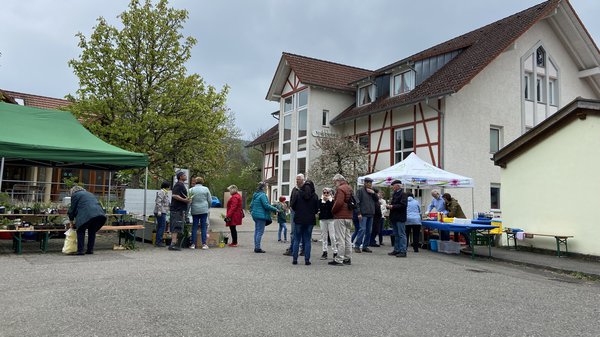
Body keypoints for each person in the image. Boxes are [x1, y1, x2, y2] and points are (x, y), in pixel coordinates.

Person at [67, 185, 107, 255]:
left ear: (72, 192)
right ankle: (90, 250)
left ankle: (80, 251)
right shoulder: (90, 194)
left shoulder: (75, 195)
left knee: (80, 230)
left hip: (87, 215)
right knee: (92, 231)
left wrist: (71, 221)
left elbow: (72, 209)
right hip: (99, 214)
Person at [290, 180, 319, 265]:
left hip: (299, 219)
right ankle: (307, 260)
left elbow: (293, 205)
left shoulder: (298, 194)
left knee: (297, 239)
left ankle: (295, 259)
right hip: (310, 220)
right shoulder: (315, 196)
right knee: (307, 240)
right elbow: (316, 209)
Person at [328, 174, 354, 266]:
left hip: (340, 216)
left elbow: (339, 202)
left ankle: (339, 259)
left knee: (340, 238)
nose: (334, 184)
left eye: (334, 182)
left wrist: (333, 210)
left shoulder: (340, 189)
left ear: (338, 180)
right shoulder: (349, 188)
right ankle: (347, 258)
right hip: (349, 215)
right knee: (347, 237)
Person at [250, 181, 278, 253]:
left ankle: (256, 247)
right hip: (261, 216)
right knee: (260, 232)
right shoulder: (263, 195)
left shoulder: (255, 194)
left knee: (256, 231)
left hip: (255, 215)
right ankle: (257, 248)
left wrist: (252, 212)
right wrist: (275, 209)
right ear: (263, 187)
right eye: (265, 187)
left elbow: (251, 205)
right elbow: (266, 205)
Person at [284, 174, 305, 256]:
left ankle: (302, 249)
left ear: (303, 180)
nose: (297, 181)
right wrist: (290, 206)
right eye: (296, 179)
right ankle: (292, 248)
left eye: (299, 179)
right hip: (294, 211)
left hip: (302, 213)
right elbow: (292, 198)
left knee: (302, 231)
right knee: (293, 231)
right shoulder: (294, 189)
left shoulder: (305, 189)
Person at [354, 177, 377, 253]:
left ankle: (365, 246)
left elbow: (377, 200)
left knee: (369, 231)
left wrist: (373, 193)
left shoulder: (372, 191)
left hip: (371, 213)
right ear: (365, 183)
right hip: (363, 214)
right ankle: (357, 245)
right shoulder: (360, 191)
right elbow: (357, 202)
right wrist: (359, 213)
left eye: (371, 183)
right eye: (368, 183)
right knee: (362, 229)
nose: (370, 184)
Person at [169, 171, 191, 251]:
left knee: (177, 226)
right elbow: (174, 195)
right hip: (177, 210)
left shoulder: (181, 185)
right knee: (176, 226)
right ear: (180, 177)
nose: (186, 176)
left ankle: (174, 244)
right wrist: (185, 200)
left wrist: (187, 200)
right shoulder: (178, 185)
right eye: (184, 175)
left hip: (179, 210)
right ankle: (173, 244)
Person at [189, 176, 212, 250]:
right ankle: (204, 244)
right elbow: (210, 200)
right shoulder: (206, 189)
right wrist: (208, 207)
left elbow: (189, 201)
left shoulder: (191, 190)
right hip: (203, 209)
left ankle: (193, 244)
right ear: (202, 182)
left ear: (195, 182)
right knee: (203, 227)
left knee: (194, 226)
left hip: (195, 209)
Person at [386, 180, 408, 258]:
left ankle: (403, 251)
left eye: (393, 185)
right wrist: (389, 205)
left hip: (400, 217)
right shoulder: (395, 194)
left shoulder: (403, 194)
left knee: (401, 234)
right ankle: (397, 249)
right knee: (396, 234)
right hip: (394, 217)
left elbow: (403, 205)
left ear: (397, 186)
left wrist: (392, 206)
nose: (392, 187)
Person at [318, 187, 336, 260]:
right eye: (324, 192)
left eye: (327, 193)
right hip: (323, 220)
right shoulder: (320, 200)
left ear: (330, 193)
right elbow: (319, 209)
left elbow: (332, 209)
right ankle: (324, 251)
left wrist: (328, 201)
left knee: (332, 236)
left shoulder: (333, 201)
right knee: (324, 237)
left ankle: (335, 251)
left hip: (331, 220)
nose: (325, 194)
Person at [153, 181, 170, 247]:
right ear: (167, 186)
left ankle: (158, 241)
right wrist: (159, 211)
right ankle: (158, 241)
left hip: (162, 211)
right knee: (162, 226)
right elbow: (158, 202)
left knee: (160, 226)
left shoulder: (164, 192)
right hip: (160, 211)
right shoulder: (162, 192)